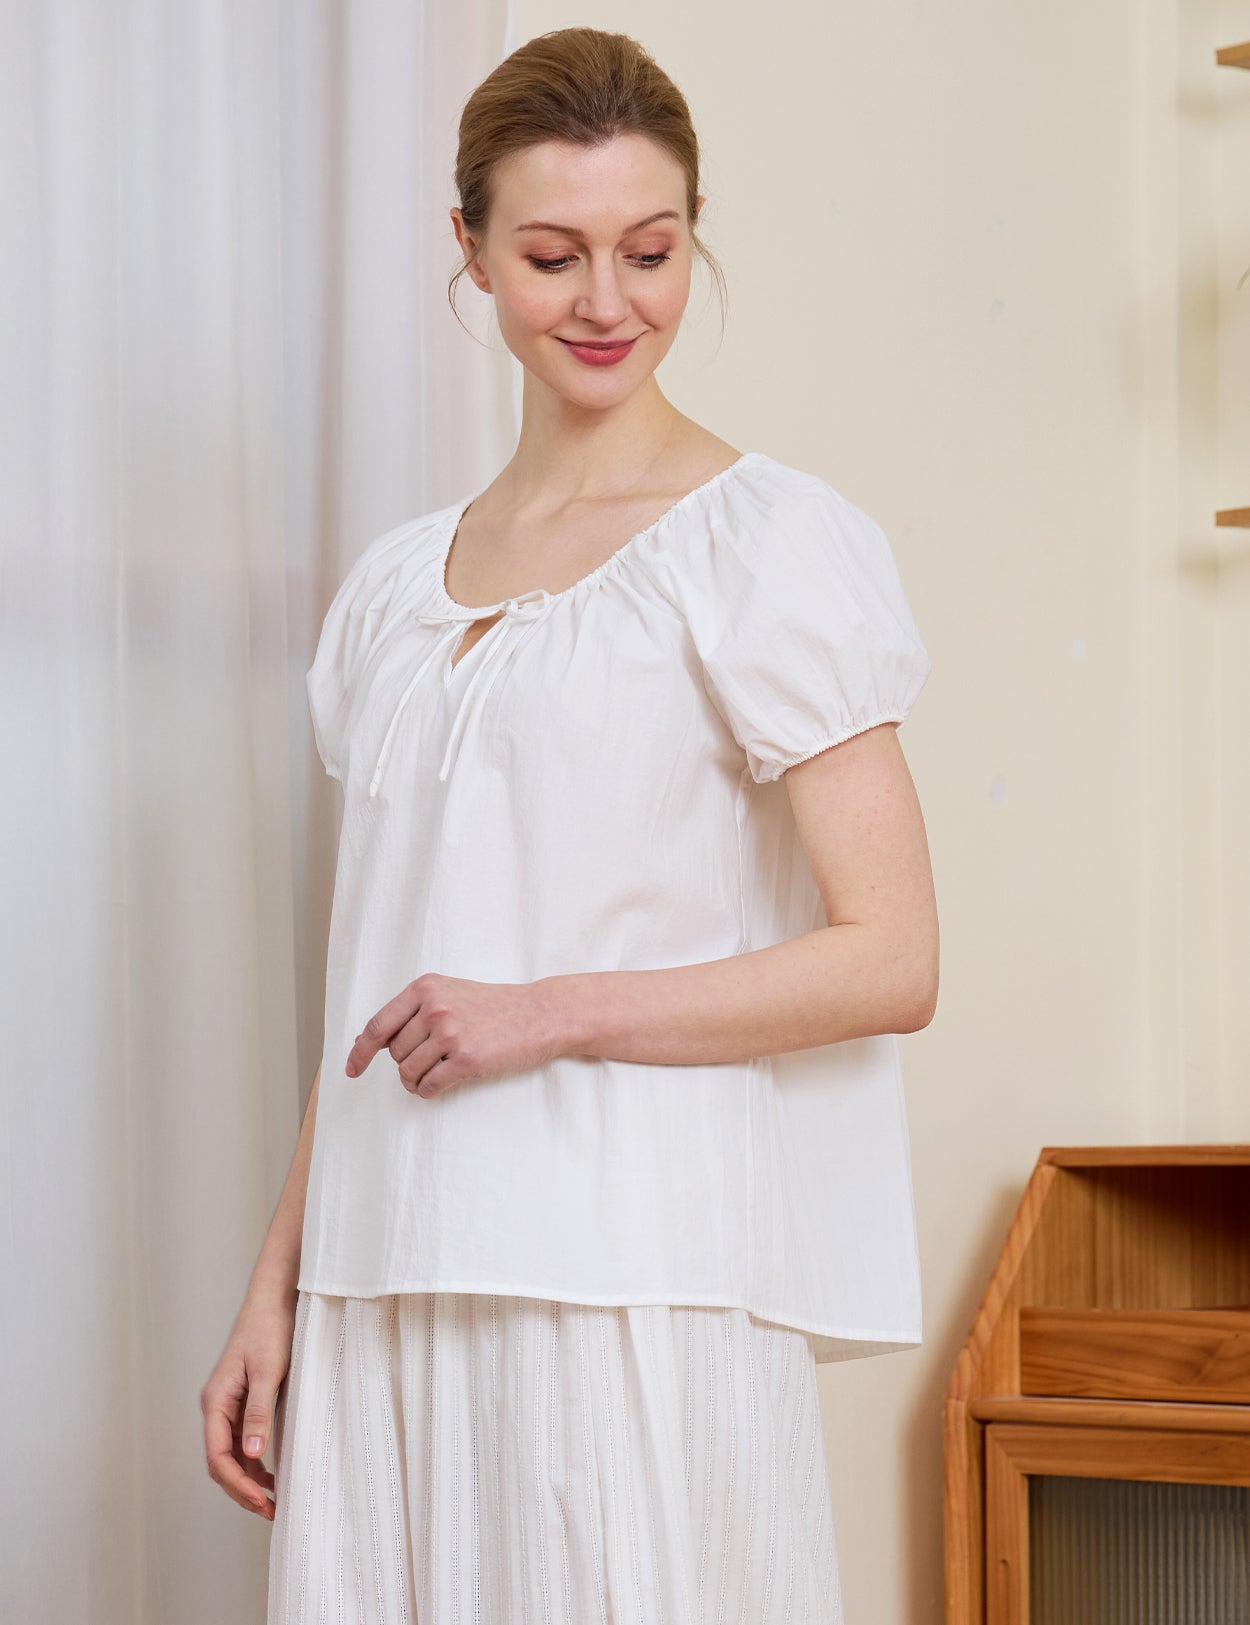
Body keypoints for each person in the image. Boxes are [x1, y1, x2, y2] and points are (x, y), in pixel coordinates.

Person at [201, 25, 938, 1625]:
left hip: (629, 1273)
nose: (606, 300)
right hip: (385, 1274)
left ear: (691, 239)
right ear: (467, 248)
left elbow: (890, 958)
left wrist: (545, 1011)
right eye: (551, 255)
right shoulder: (392, 589)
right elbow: (376, 983)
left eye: (648, 251)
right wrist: (279, 1285)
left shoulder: (767, 547)